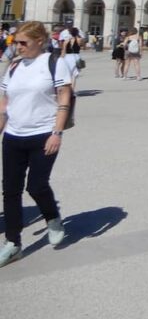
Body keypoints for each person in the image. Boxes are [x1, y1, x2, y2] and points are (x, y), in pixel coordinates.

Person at [0, 21, 74, 267]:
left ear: (39, 41)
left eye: (23, 43)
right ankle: (13, 244)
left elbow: (64, 97)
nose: (18, 47)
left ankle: (52, 218)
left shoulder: (54, 63)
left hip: (43, 133)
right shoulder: (14, 66)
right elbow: (4, 104)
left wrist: (57, 132)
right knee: (10, 191)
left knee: (37, 185)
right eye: (15, 42)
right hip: (13, 136)